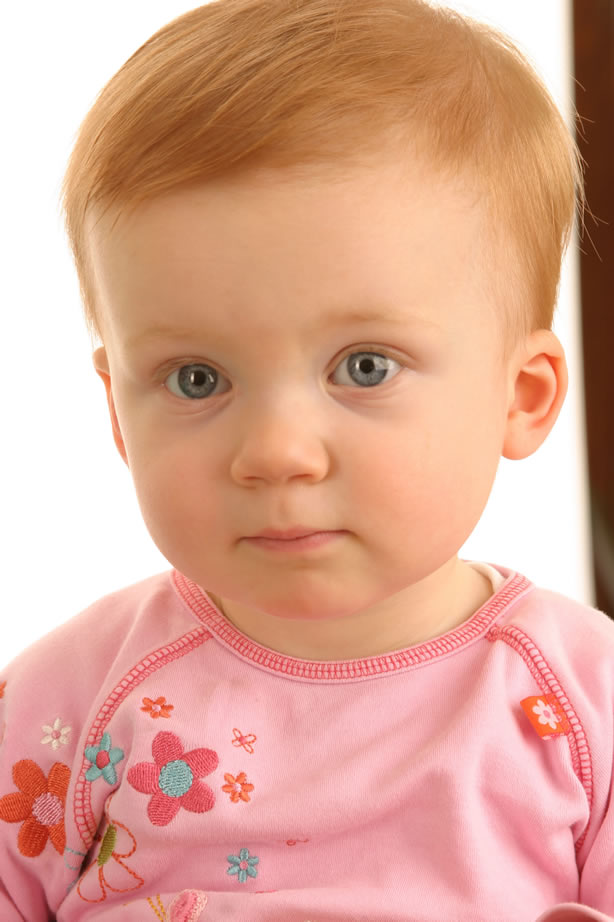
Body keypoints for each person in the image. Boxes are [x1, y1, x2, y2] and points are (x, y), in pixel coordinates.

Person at [0, 0, 611, 919]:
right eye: (197, 379)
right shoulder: (65, 700)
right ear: (119, 414)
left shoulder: (585, 705)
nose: (276, 454)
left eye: (364, 367)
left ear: (520, 396)